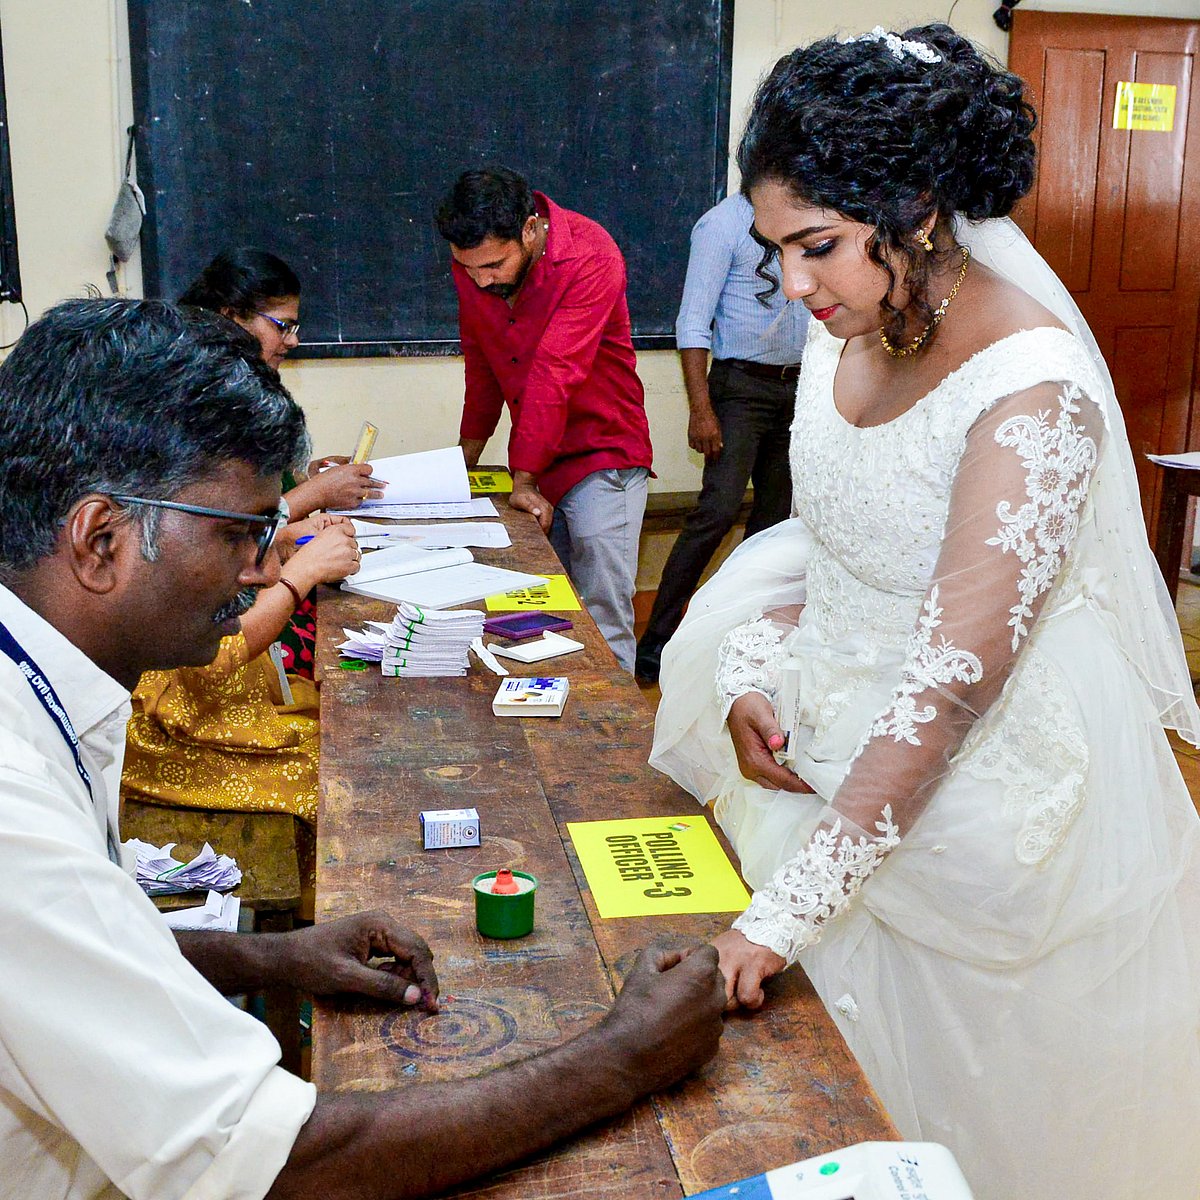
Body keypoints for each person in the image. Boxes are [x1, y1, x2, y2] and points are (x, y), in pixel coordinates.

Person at [0, 297, 727, 1200]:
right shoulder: (9, 805)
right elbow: (283, 1162)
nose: (265, 568)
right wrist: (623, 1058)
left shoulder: (39, 678)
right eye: (240, 532)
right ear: (100, 540)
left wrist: (274, 955)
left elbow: (81, 951)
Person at [650, 25, 1200, 1200]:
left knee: (960, 1121)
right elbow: (841, 550)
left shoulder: (1030, 387)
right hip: (828, 744)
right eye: (776, 250)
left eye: (820, 247)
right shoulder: (847, 315)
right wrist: (753, 665)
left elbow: (953, 688)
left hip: (975, 797)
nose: (794, 285)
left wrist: (780, 921)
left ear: (919, 204)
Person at [435, 167, 653, 672]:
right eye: (467, 268)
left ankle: (617, 743)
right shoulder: (475, 262)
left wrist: (524, 476)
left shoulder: (590, 255)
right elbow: (483, 362)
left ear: (530, 230)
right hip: (537, 453)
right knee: (542, 610)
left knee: (601, 610)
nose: (480, 279)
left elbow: (556, 374)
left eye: (493, 264)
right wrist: (457, 466)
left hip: (603, 451)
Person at [634, 193, 810, 684]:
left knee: (774, 523)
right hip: (739, 390)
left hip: (799, 386)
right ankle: (657, 644)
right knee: (716, 510)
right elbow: (692, 321)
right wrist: (701, 409)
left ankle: (741, 642)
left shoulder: (808, 216)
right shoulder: (720, 226)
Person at [179, 246, 386, 521]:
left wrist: (304, 478)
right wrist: (317, 493)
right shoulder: (195, 395)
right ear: (231, 317)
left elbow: (255, 491)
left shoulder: (243, 384)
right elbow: (228, 524)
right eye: (281, 326)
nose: (292, 341)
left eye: (293, 328)